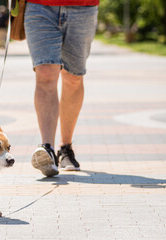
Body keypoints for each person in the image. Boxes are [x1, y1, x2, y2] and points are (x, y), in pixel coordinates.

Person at [25, 0, 99, 177]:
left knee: (73, 77)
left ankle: (65, 148)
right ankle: (47, 148)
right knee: (45, 73)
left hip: (83, 8)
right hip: (39, 6)